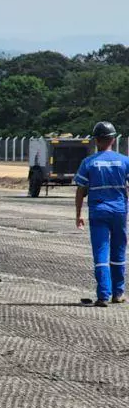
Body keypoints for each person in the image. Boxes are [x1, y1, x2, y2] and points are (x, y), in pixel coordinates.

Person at [75, 121, 129, 307]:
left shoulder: (88, 162)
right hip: (120, 211)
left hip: (98, 212)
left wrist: (78, 214)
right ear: (113, 139)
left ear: (96, 140)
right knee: (119, 252)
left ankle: (103, 295)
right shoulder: (124, 161)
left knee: (101, 252)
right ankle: (118, 293)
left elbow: (81, 190)